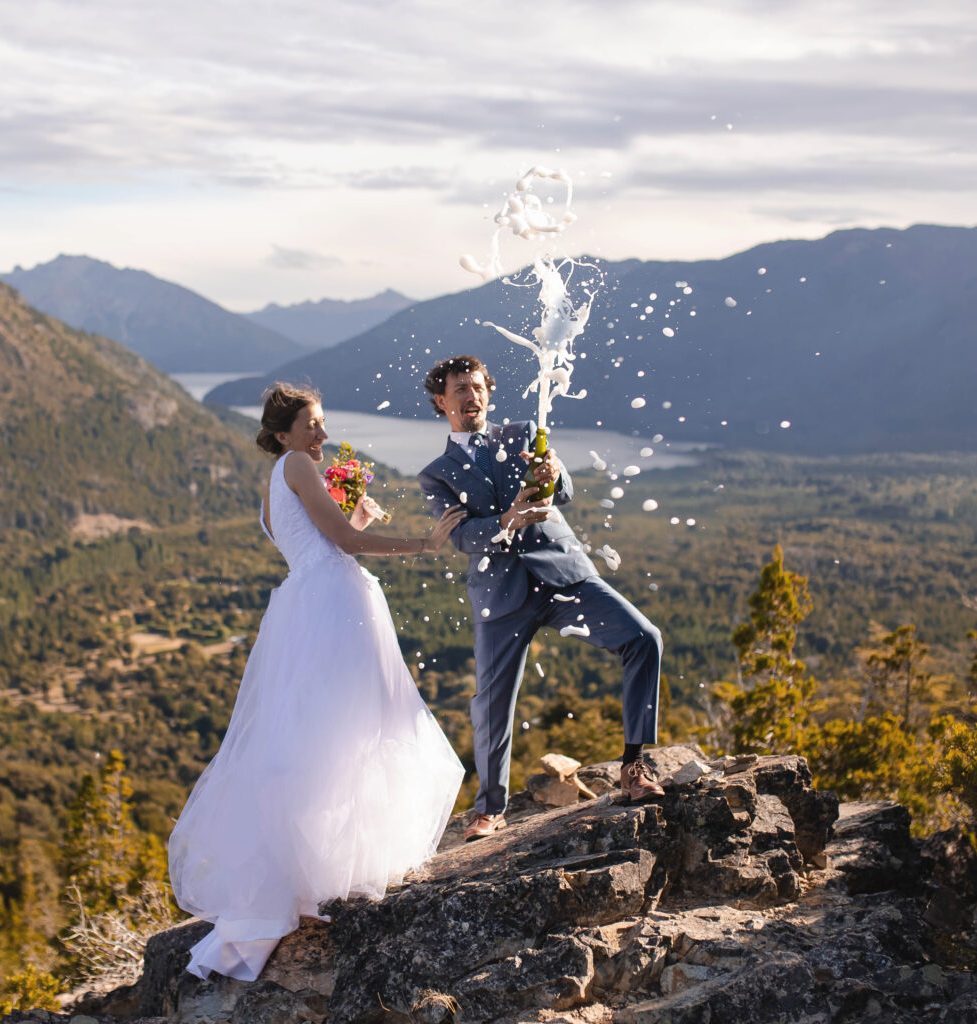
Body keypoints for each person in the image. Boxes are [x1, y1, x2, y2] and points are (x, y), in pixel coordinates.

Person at [168, 382, 466, 982]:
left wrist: (354, 512)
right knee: (351, 728)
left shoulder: (276, 480)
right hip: (333, 604)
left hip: (310, 603)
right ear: (283, 435)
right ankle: (334, 871)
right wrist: (427, 542)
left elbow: (318, 542)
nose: (321, 435)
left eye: (322, 423)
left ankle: (316, 871)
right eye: (311, 425)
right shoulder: (298, 464)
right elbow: (347, 546)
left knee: (321, 734)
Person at [416, 355, 665, 842]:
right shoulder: (435, 474)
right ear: (441, 402)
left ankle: (633, 766)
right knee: (491, 703)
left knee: (644, 638)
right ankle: (490, 808)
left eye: (477, 386)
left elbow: (563, 492)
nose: (471, 396)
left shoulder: (525, 432)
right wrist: (506, 521)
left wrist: (555, 472)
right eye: (460, 389)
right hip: (500, 592)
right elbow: (463, 538)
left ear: (488, 391)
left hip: (564, 573)